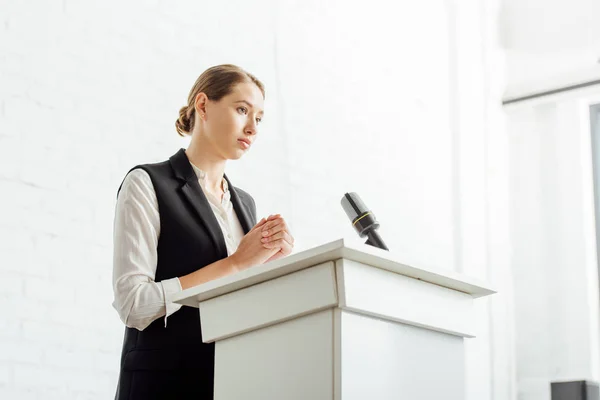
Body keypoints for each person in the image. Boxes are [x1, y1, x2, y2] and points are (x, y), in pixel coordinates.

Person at [111, 64, 294, 399]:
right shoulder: (147, 183)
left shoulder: (245, 204)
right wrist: (237, 264)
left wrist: (271, 268)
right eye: (242, 110)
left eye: (260, 118)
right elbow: (134, 305)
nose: (252, 128)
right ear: (203, 105)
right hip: (161, 384)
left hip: (229, 380)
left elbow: (235, 301)